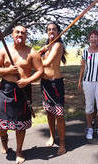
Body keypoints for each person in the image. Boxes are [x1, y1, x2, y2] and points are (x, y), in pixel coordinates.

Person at [0, 25, 43, 164]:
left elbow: (40, 71)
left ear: (26, 36)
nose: (20, 35)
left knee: (20, 124)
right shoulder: (3, 51)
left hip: (23, 90)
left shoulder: (32, 52)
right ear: (12, 35)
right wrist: (7, 70)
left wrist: (27, 80)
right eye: (17, 32)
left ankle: (19, 151)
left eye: (23, 33)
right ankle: (4, 141)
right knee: (1, 124)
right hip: (6, 89)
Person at [40, 22, 67, 155]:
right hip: (45, 84)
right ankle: (52, 136)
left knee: (59, 114)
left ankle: (62, 144)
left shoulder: (58, 45)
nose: (51, 31)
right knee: (49, 112)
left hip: (55, 83)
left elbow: (45, 63)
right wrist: (41, 51)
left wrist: (34, 57)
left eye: (54, 29)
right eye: (49, 29)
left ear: (58, 32)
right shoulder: (47, 46)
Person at [78, 30, 98, 140]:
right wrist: (79, 81)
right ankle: (90, 128)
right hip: (88, 81)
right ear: (89, 39)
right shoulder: (85, 51)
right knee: (89, 106)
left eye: (96, 37)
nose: (94, 39)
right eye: (92, 37)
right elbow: (82, 67)